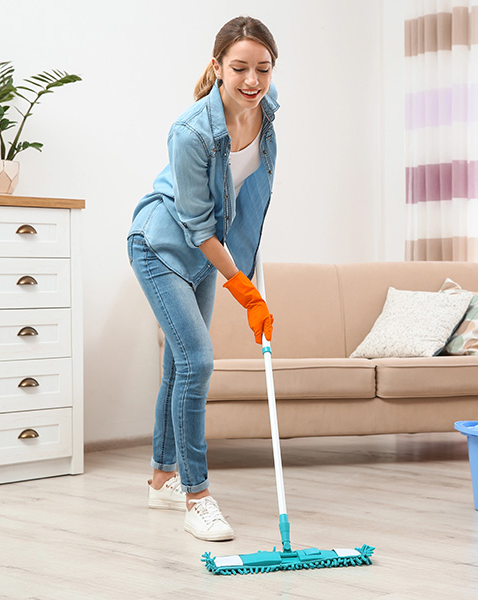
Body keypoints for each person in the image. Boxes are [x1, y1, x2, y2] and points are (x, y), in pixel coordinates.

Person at [127, 15, 279, 541]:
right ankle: (197, 496)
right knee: (198, 360)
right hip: (162, 246)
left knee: (178, 366)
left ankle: (161, 479)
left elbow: (246, 198)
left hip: (204, 252)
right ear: (217, 67)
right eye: (239, 68)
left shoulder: (266, 108)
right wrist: (244, 288)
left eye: (263, 67)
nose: (252, 80)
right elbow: (195, 226)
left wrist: (250, 269)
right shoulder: (191, 131)